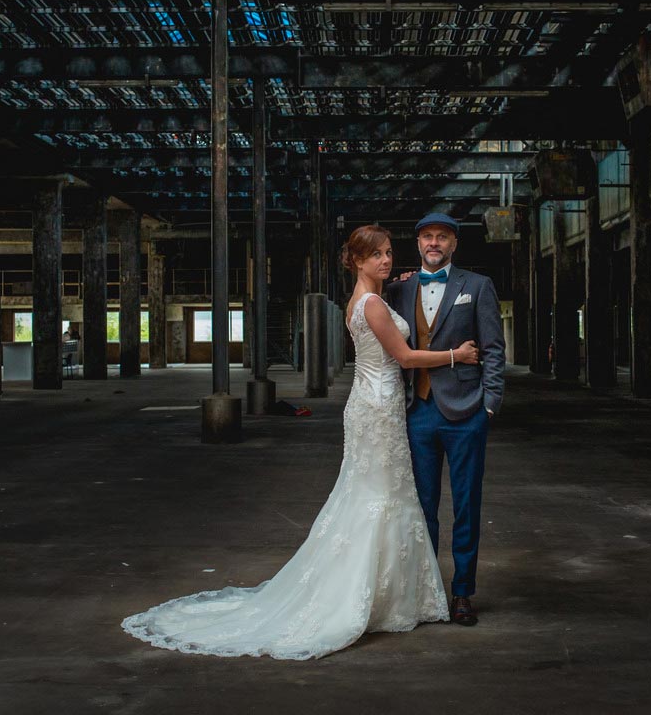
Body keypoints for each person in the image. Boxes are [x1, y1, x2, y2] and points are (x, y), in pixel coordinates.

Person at [120, 224, 479, 660]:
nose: (387, 260)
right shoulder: (373, 306)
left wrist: (400, 283)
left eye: (389, 253)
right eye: (378, 255)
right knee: (380, 497)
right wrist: (455, 355)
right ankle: (370, 596)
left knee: (377, 494)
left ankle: (394, 593)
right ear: (358, 261)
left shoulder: (364, 301)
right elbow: (403, 358)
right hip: (379, 404)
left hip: (373, 404)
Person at [384, 212, 506, 627]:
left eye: (442, 237)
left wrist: (489, 404)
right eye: (427, 237)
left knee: (467, 506)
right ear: (418, 244)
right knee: (422, 508)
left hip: (466, 411)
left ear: (454, 244)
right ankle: (429, 589)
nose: (434, 243)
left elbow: (493, 347)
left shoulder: (477, 286)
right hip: (417, 413)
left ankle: (462, 594)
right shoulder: (399, 290)